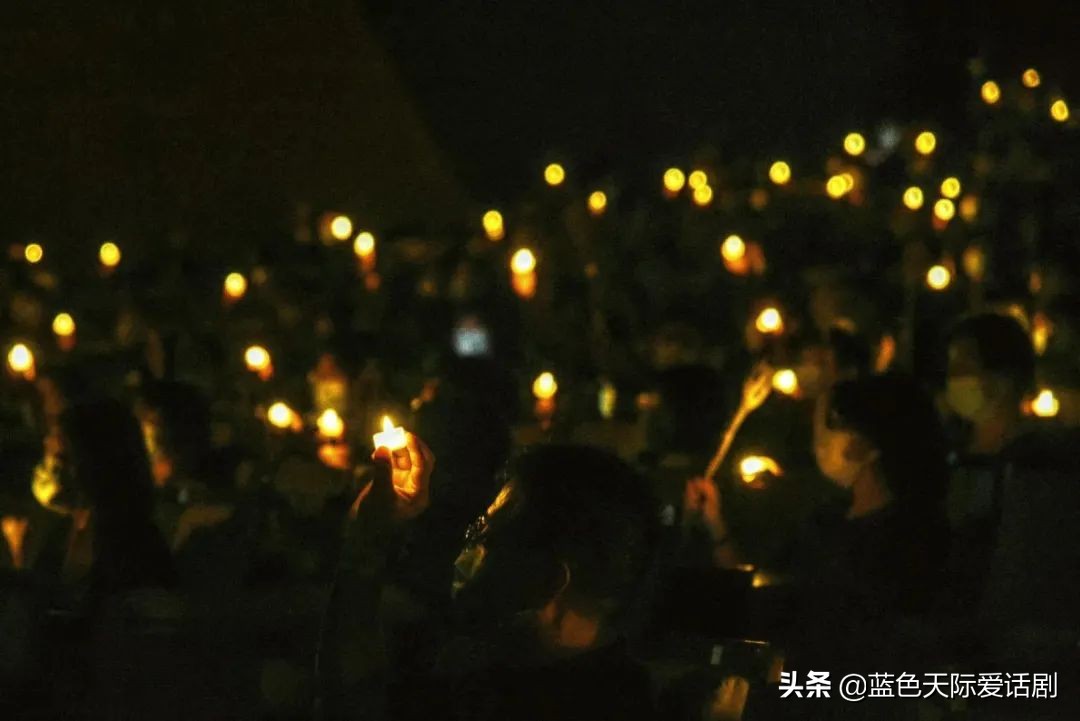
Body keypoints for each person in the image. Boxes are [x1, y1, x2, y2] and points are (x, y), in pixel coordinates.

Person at [319, 439, 661, 720]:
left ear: (547, 580)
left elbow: (353, 702)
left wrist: (366, 543)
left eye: (485, 536)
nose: (465, 552)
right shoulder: (492, 667)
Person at [684, 373, 949, 666]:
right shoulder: (826, 520)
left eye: (825, 426)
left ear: (862, 443)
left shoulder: (907, 541)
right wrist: (716, 525)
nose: (818, 442)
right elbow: (760, 596)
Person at [940, 312, 1036, 611]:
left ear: (1004, 377)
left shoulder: (1037, 461)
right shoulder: (950, 454)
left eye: (965, 365)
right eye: (951, 366)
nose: (953, 377)